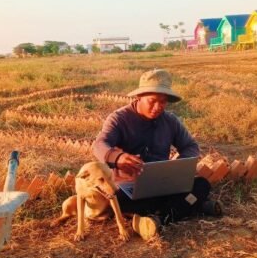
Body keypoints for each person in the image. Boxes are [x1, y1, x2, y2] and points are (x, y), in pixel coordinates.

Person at [92, 69, 222, 240]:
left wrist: (177, 166)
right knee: (120, 201)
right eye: (152, 101)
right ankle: (191, 206)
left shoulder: (170, 121)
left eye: (163, 102)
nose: (157, 107)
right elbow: (99, 145)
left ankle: (159, 218)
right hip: (130, 187)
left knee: (202, 185)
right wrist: (118, 157)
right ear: (139, 97)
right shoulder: (119, 119)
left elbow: (190, 146)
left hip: (164, 183)